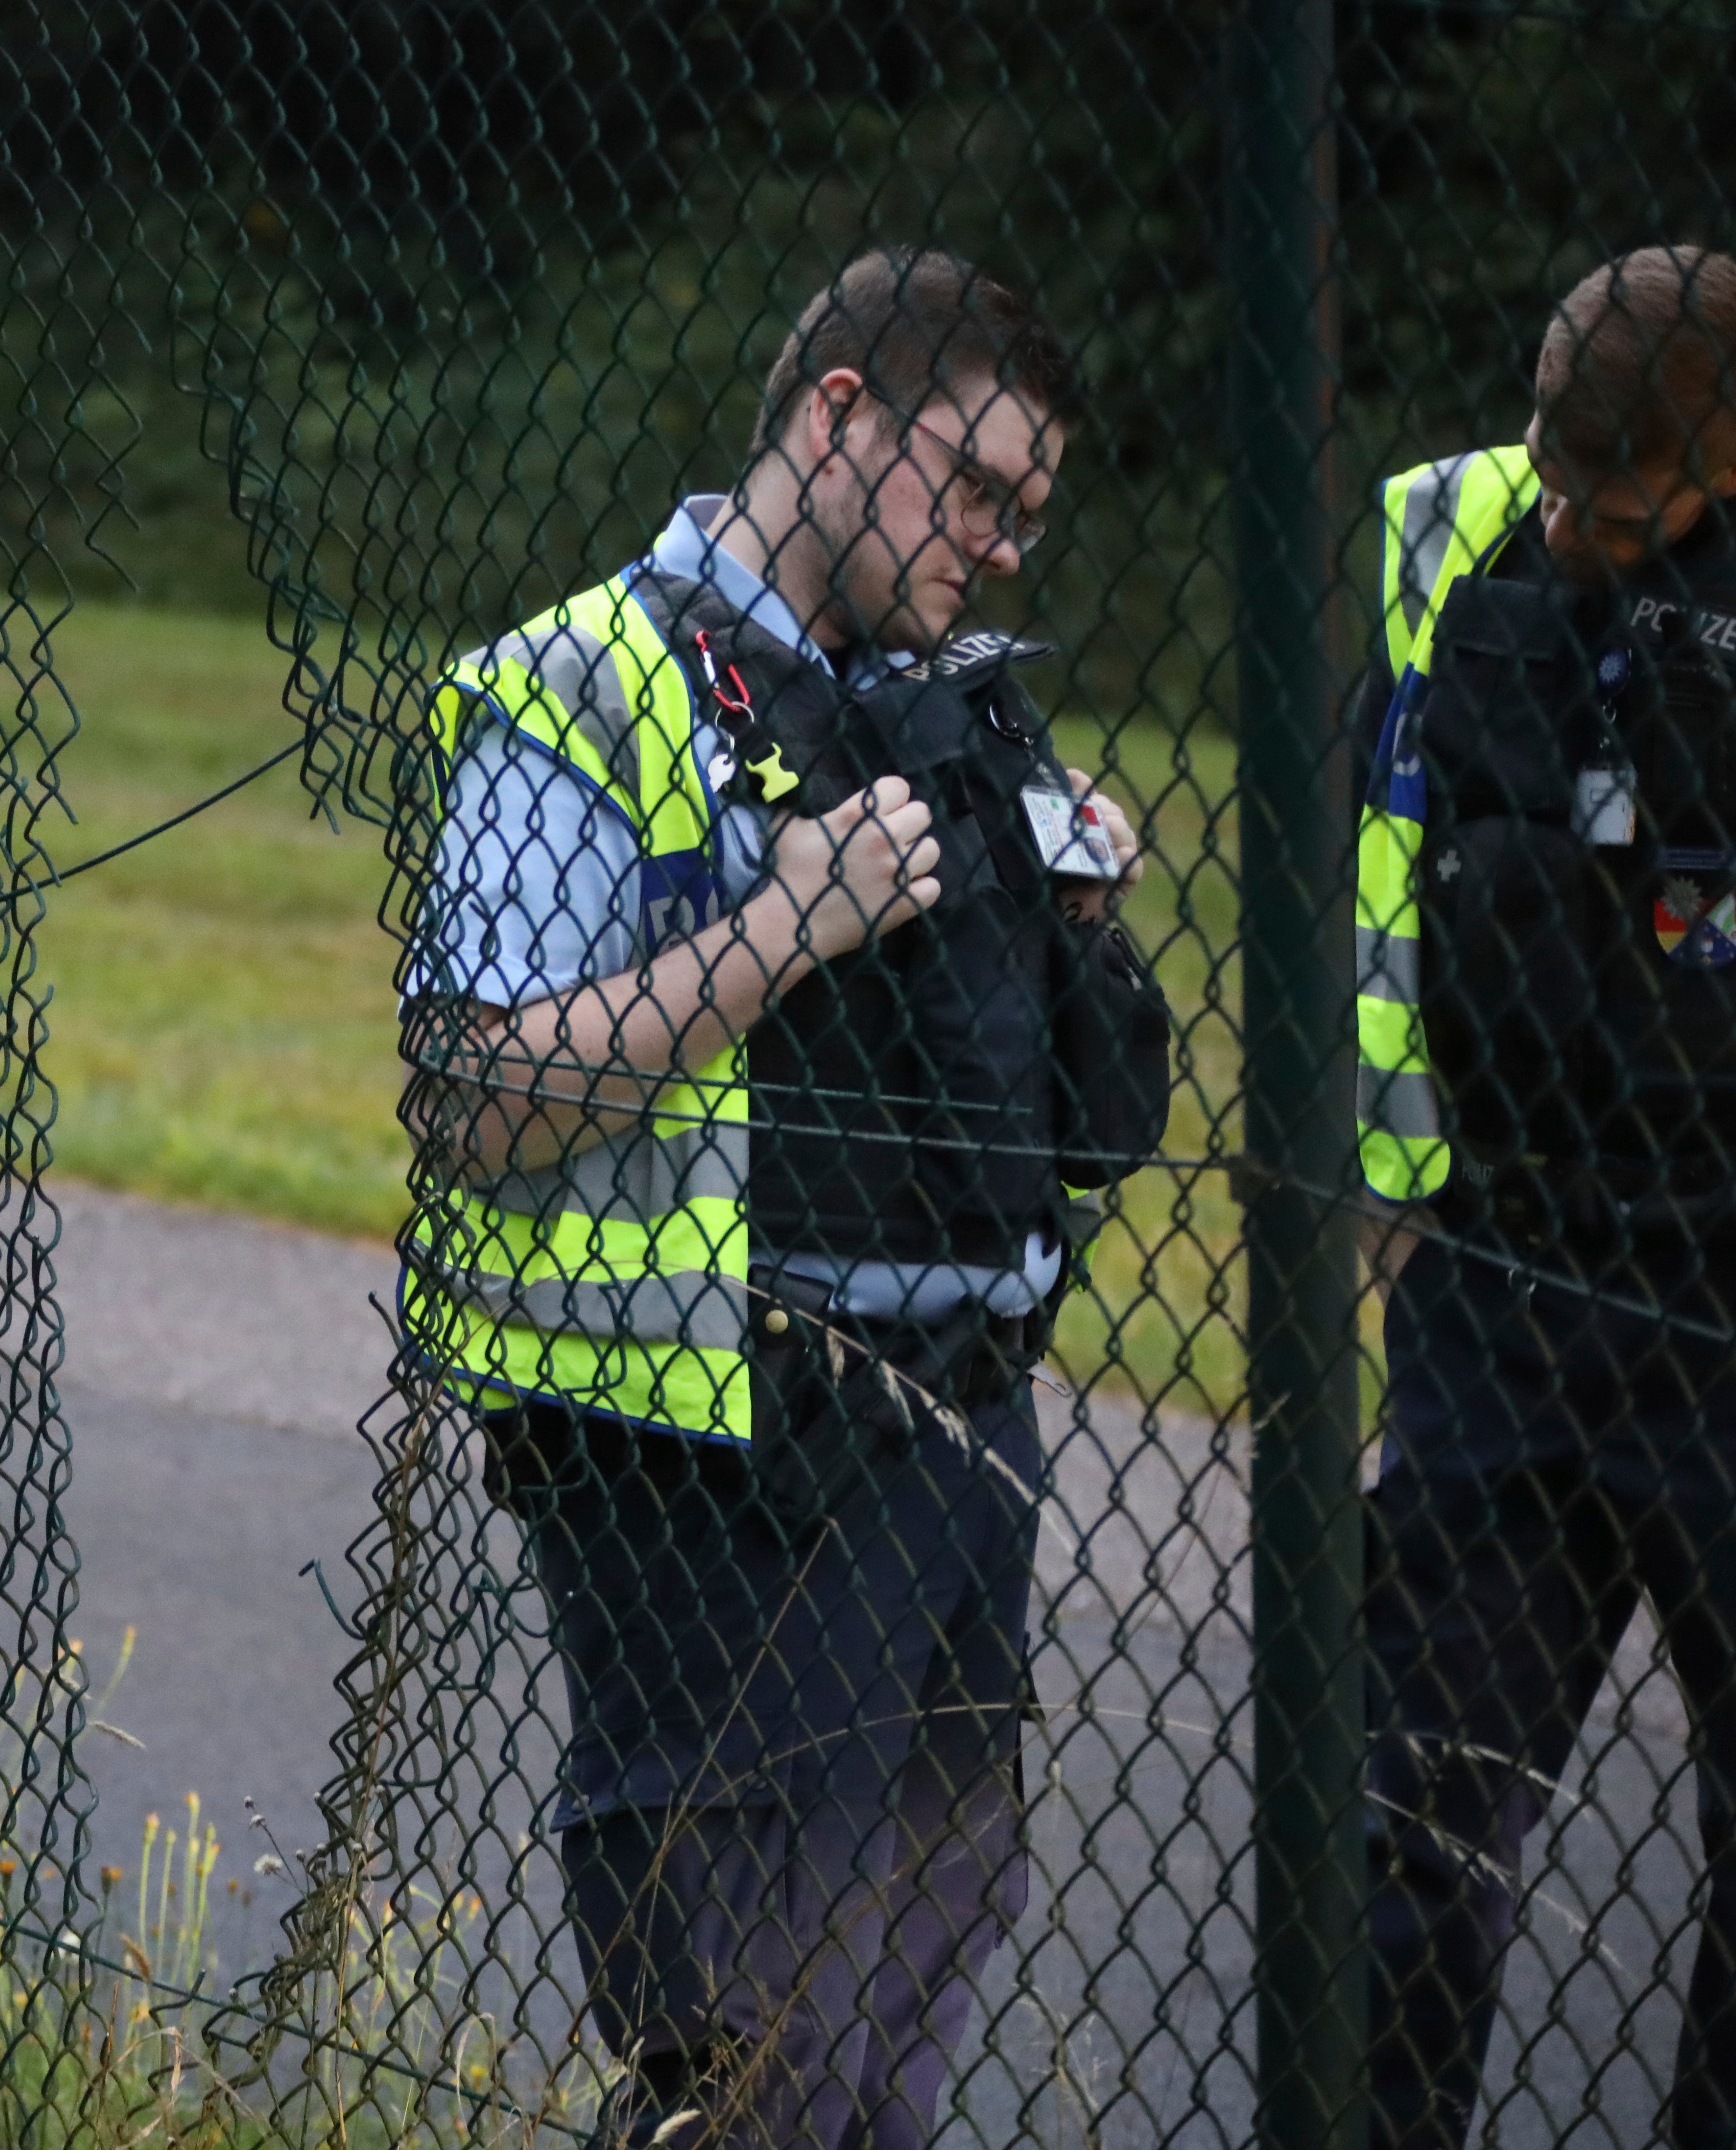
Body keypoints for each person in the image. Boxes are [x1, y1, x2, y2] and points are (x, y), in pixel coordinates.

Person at [396, 247, 1172, 2150]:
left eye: (1030, 513)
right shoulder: (582, 682)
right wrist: (783, 930)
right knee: (752, 2041)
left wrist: (1084, 932)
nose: (1001, 548)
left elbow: (1098, 1124)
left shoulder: (964, 712)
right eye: (976, 487)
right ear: (839, 416)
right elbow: (472, 1094)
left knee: (893, 2014)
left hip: (964, 1432)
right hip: (712, 1453)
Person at [1354, 245, 1736, 2150]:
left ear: (1732, 470)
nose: (1568, 522)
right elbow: (1376, 850)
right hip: (1507, 1269)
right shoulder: (1451, 534)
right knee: (1406, 1812)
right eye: (1552, 474)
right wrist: (1379, 1183)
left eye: (1619, 501)